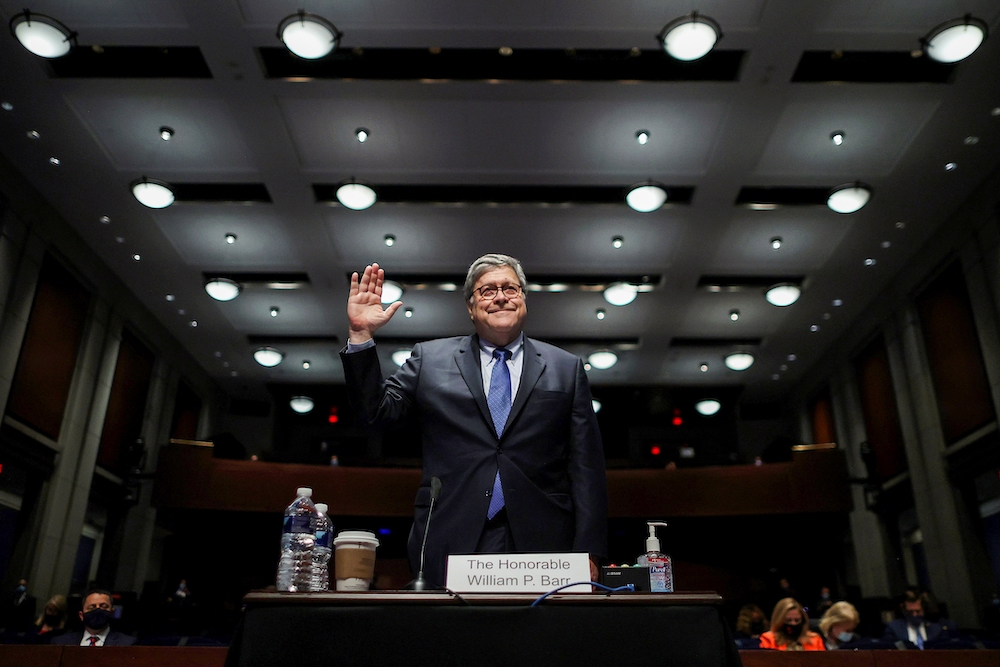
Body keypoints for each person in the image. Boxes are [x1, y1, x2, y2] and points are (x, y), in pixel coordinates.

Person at [341, 256, 608, 586]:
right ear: (470, 307)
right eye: (487, 290)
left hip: (544, 539)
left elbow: (587, 468)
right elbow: (374, 414)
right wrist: (360, 335)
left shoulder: (565, 368)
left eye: (510, 288)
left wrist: (589, 550)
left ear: (523, 298)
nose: (500, 296)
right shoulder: (430, 359)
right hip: (450, 534)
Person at [52, 589, 136, 646]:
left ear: (112, 612)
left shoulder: (127, 643)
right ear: (81, 615)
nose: (98, 610)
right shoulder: (61, 642)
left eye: (103, 606)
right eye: (92, 607)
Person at [883, 590, 955, 649]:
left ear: (924, 609)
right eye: (910, 612)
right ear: (904, 611)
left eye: (918, 611)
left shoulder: (937, 629)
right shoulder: (893, 629)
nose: (915, 615)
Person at [759, 598, 825, 651]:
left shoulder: (815, 639)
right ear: (779, 620)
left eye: (797, 620)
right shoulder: (768, 639)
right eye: (788, 620)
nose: (793, 623)